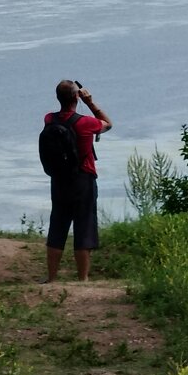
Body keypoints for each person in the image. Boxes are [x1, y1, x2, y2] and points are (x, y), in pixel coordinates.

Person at [44, 79, 112, 283]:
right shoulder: (86, 123)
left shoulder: (49, 119)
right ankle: (82, 279)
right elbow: (108, 124)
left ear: (57, 98)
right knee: (84, 226)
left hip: (59, 179)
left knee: (58, 224)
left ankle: (52, 278)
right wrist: (90, 102)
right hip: (83, 178)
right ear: (77, 97)